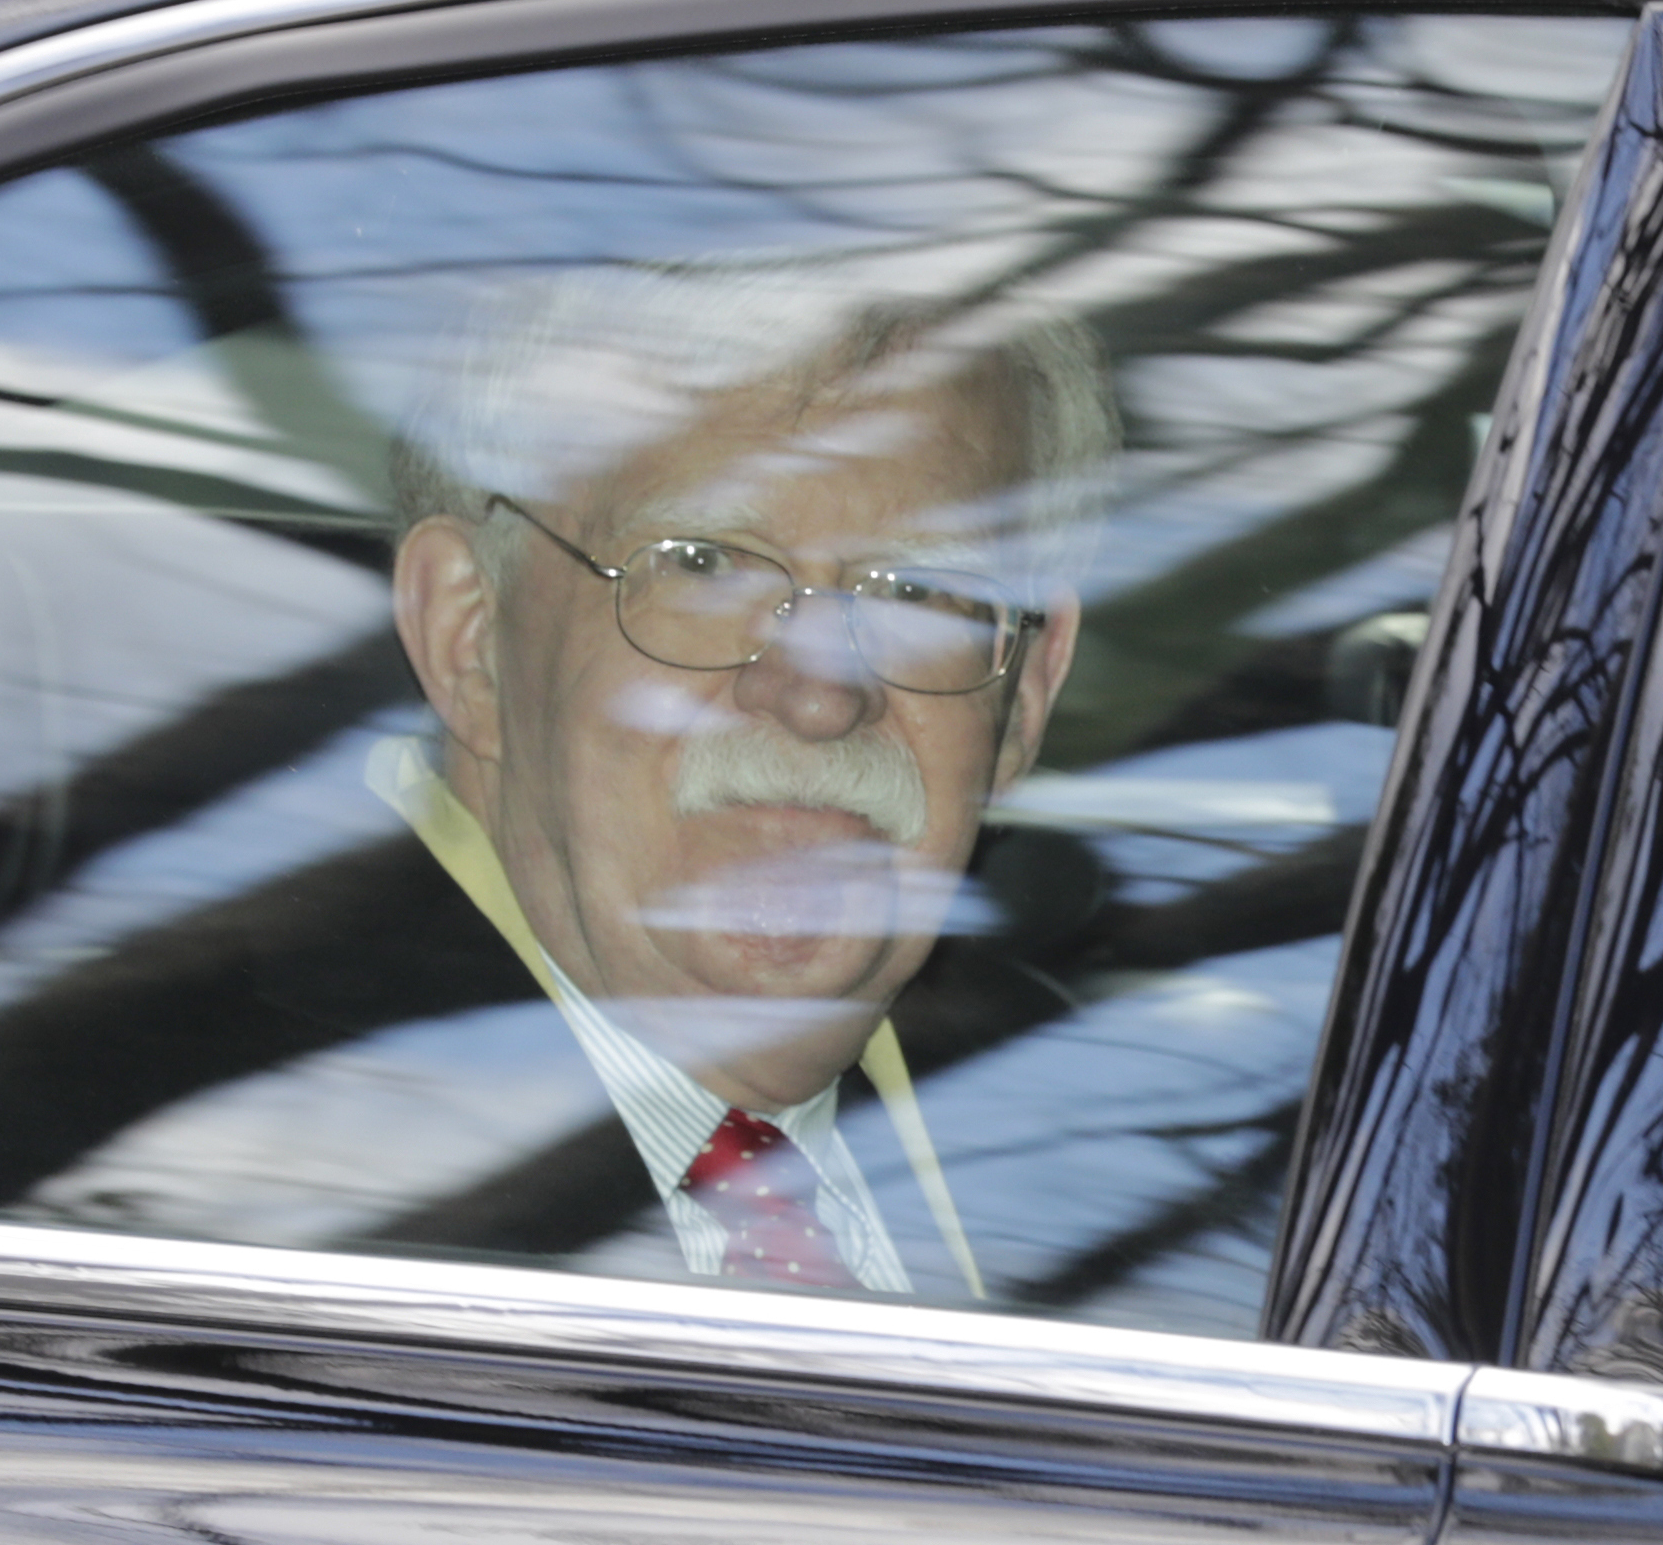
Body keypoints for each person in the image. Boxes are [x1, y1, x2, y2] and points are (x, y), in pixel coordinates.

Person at [379, 266, 1116, 1296]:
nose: (818, 696)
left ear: (1026, 694)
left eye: (916, 591)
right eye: (703, 562)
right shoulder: (242, 1158)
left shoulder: (1099, 1140)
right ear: (472, 638)